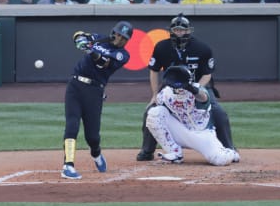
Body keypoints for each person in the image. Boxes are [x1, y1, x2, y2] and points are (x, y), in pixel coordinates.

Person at [136, 13, 240, 163]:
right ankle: (147, 150)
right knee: (150, 111)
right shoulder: (161, 47)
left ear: (189, 31)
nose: (179, 33)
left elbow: (207, 74)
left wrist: (196, 89)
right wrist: (154, 95)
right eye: (176, 30)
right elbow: (153, 71)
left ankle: (230, 147)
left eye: (182, 30)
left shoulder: (202, 48)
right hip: (170, 87)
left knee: (218, 111)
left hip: (197, 85)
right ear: (171, 31)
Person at [61, 21, 133, 179]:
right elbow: (79, 34)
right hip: (75, 85)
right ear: (113, 32)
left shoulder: (122, 55)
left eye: (124, 38)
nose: (119, 39)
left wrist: (90, 50)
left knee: (92, 136)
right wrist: (80, 40)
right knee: (72, 125)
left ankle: (96, 153)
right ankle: (68, 165)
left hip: (94, 90)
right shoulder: (100, 39)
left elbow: (103, 63)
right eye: (118, 34)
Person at [146, 66, 236, 166]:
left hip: (202, 134)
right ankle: (175, 153)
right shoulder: (164, 94)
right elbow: (161, 116)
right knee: (154, 113)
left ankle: (229, 152)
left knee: (221, 160)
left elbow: (204, 98)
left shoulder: (198, 90)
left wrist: (191, 88)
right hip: (181, 131)